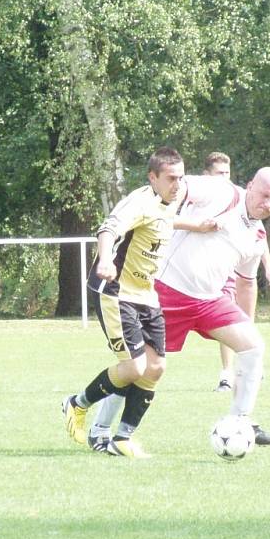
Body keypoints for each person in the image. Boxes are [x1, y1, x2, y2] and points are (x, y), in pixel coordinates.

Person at [86, 166, 270, 450]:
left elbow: (246, 284)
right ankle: (100, 428)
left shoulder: (256, 237)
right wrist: (169, 222)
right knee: (138, 366)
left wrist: (247, 323)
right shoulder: (222, 191)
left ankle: (240, 421)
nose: (268, 204)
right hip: (166, 292)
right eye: (264, 195)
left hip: (209, 302)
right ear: (250, 185)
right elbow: (176, 189)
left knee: (253, 346)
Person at [62, 146, 206, 459]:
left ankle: (123, 438)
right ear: (152, 177)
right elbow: (108, 228)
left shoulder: (173, 199)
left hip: (146, 294)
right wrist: (104, 260)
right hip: (117, 291)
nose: (178, 184)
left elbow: (165, 221)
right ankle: (77, 404)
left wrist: (196, 226)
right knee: (134, 366)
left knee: (155, 367)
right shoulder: (138, 202)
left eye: (181, 177)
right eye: (171, 178)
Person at [203, 152, 270, 394]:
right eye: (219, 173)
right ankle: (227, 373)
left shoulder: (240, 198)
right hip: (211, 275)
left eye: (227, 173)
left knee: (241, 323)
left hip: (239, 274)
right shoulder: (204, 197)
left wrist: (268, 267)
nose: (224, 178)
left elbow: (258, 236)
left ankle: (247, 365)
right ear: (207, 175)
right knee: (226, 322)